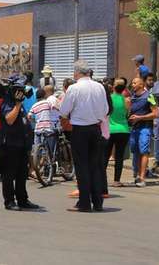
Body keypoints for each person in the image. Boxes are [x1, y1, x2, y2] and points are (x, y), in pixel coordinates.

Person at [59, 61, 110, 211]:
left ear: (77, 73)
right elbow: (105, 110)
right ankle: (98, 201)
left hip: (80, 130)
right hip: (96, 129)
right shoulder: (99, 87)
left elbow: (64, 111)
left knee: (82, 167)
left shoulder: (74, 88)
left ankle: (84, 203)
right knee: (95, 166)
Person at [0, 75, 39, 211]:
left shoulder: (19, 103)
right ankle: (9, 201)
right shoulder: (8, 102)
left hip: (22, 144)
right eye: (18, 89)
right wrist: (17, 104)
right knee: (9, 174)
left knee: (22, 174)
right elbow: (9, 119)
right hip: (10, 145)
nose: (21, 92)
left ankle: (23, 199)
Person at [128, 77, 158, 188]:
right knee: (135, 151)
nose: (132, 84)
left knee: (144, 151)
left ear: (141, 85)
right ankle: (136, 175)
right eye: (132, 82)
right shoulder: (132, 97)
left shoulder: (149, 96)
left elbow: (156, 114)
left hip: (145, 128)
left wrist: (140, 118)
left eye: (134, 83)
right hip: (134, 128)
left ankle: (142, 177)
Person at [105, 79, 131, 187]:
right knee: (119, 156)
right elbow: (127, 115)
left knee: (105, 155)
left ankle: (102, 180)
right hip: (124, 130)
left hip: (110, 129)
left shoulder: (109, 98)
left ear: (114, 87)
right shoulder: (127, 100)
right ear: (124, 88)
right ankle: (117, 180)